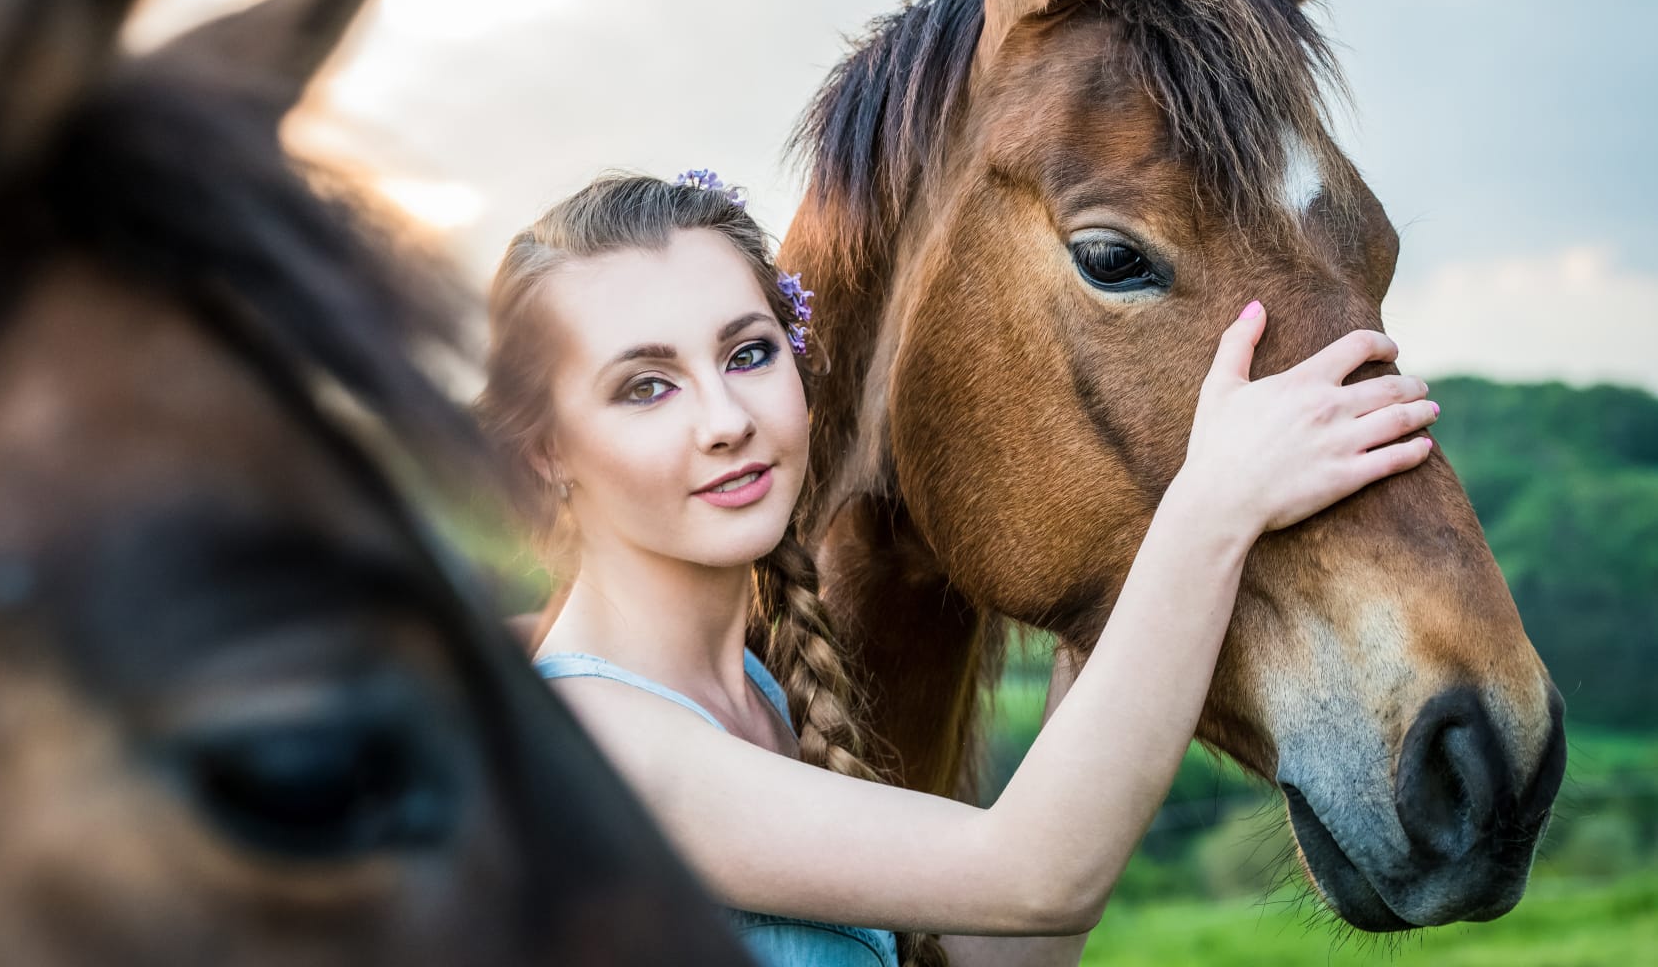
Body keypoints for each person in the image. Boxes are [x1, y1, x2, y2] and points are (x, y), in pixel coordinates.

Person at [473, 171, 1439, 967]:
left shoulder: (754, 701)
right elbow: (1036, 874)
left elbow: (1006, 942)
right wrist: (1214, 506)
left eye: (749, 352)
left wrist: (1123, 542)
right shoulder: (597, 741)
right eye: (645, 387)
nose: (725, 419)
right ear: (545, 452)